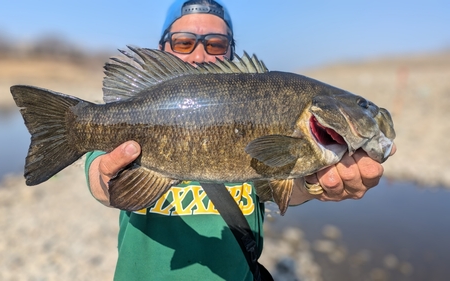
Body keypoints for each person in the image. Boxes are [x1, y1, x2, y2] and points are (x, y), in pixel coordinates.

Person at [85, 0, 396, 280]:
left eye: (216, 44)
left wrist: (318, 186)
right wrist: (105, 178)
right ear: (162, 47)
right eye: (183, 43)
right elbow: (100, 179)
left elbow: (285, 186)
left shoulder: (297, 124)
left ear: (231, 52)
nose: (199, 54)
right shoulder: (124, 119)